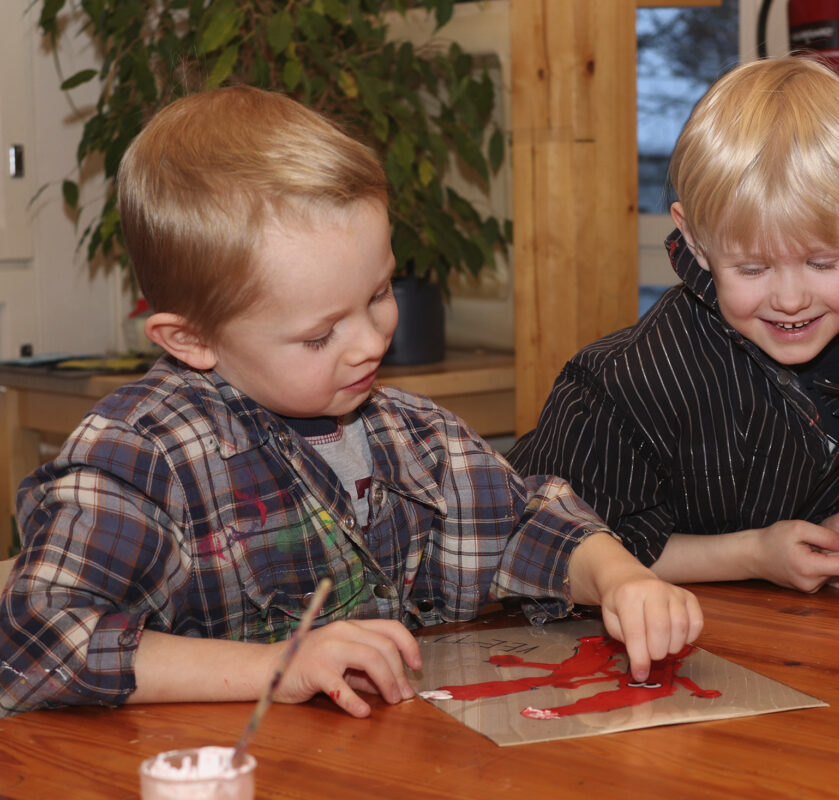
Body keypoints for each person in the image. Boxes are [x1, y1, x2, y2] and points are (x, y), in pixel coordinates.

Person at [0, 86, 702, 719]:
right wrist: (280, 666)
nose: (371, 343)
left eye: (377, 294)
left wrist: (618, 578)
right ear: (191, 338)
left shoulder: (409, 432)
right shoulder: (138, 454)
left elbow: (525, 523)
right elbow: (38, 643)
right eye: (318, 334)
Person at [508, 57, 839, 594]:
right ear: (696, 240)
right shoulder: (628, 384)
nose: (790, 299)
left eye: (822, 263)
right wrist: (755, 554)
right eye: (753, 268)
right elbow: (563, 547)